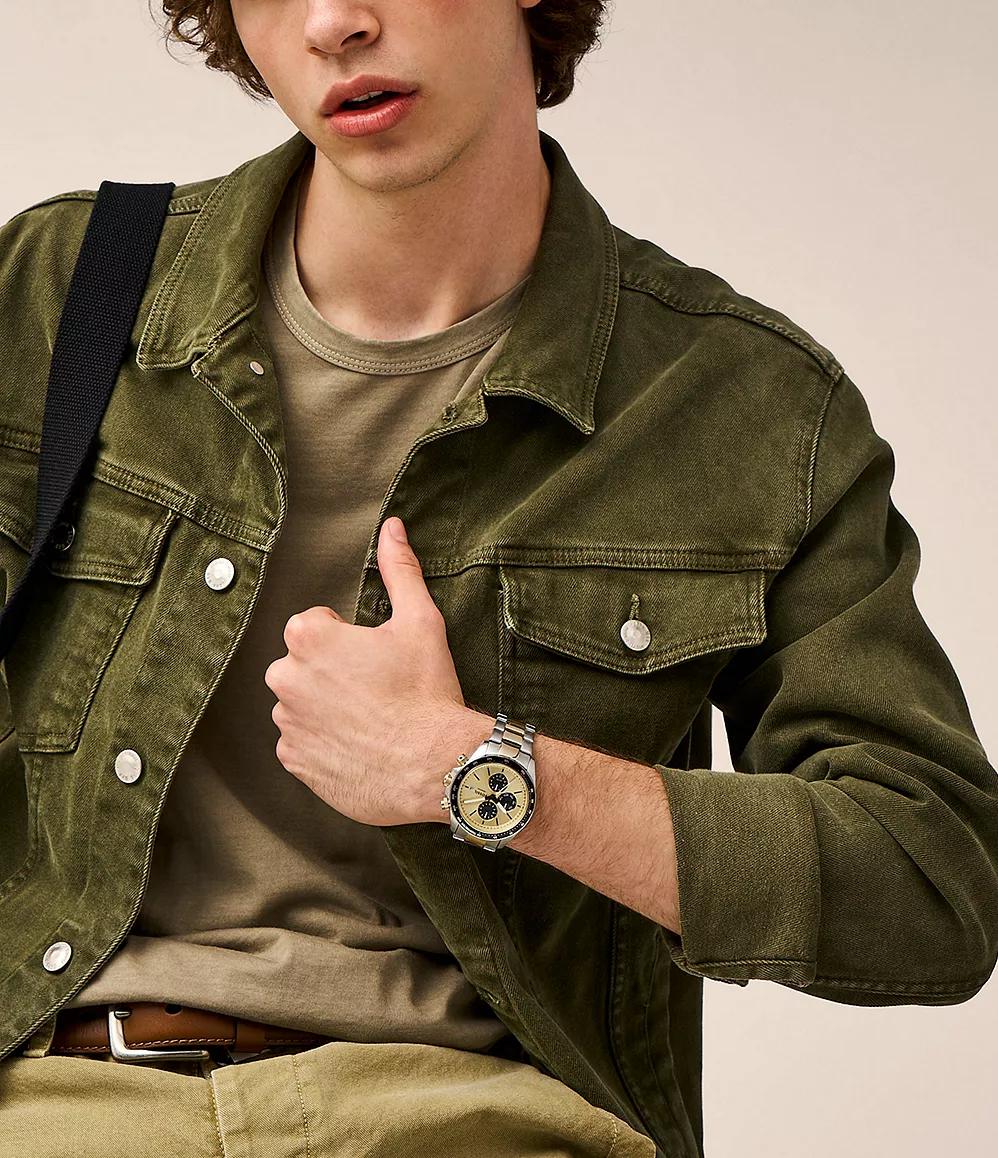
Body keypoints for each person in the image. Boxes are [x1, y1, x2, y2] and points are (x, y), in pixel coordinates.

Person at [1, 2, 996, 1156]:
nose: (332, 23)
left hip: (476, 1117)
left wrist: (474, 770)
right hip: (57, 1100)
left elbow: (927, 884)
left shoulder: (743, 405)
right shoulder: (62, 299)